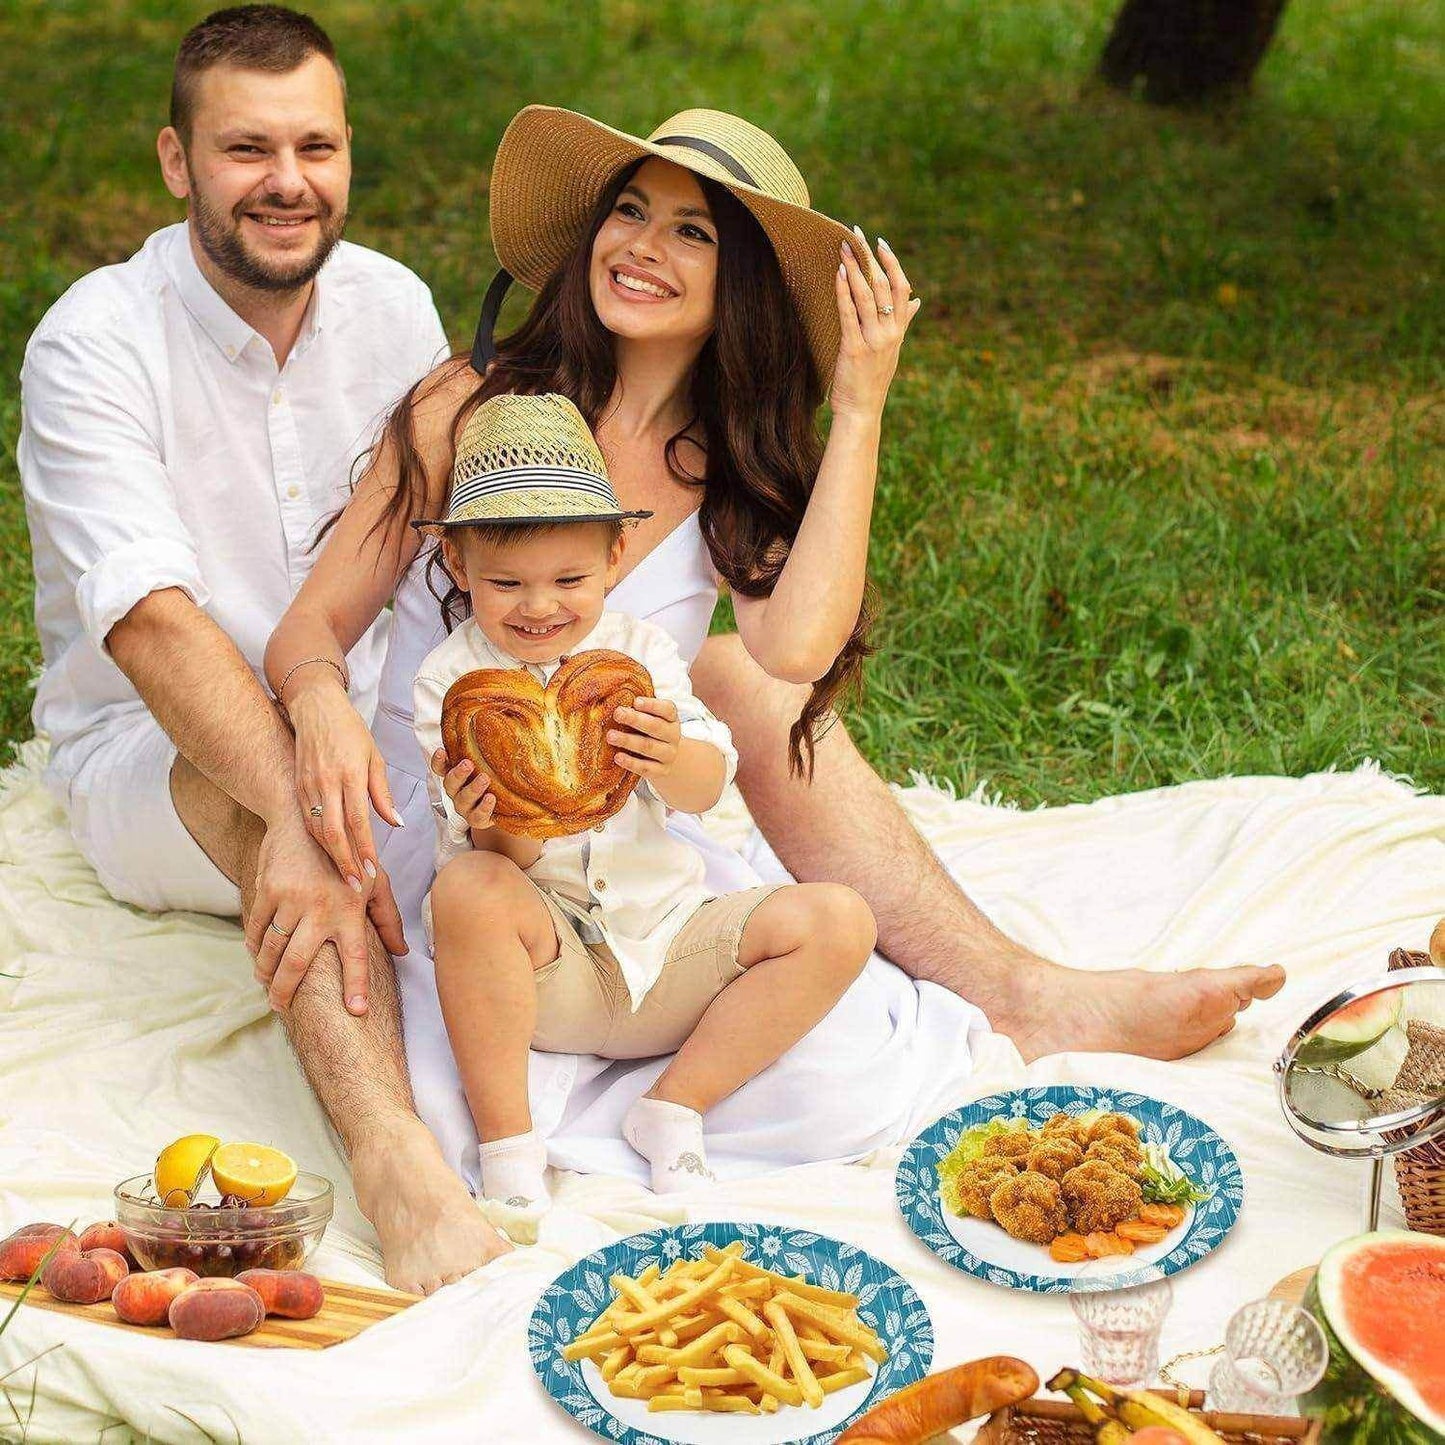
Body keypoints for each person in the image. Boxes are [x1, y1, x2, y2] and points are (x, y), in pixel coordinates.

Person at [266, 106, 1284, 1193]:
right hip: (462, 842)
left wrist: (858, 408)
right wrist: (323, 705)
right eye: (628, 212)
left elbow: (794, 649)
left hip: (624, 860)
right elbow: (308, 630)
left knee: (842, 1064)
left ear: (737, 282)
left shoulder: (716, 464)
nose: (643, 247)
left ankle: (973, 1009)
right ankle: (531, 1113)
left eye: (691, 232)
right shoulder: (470, 409)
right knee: (473, 1009)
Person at [17, 4, 508, 1292]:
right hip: (148, 749)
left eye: (317, 147)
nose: (288, 183)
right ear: (177, 161)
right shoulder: (92, 342)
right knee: (290, 838)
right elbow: (154, 629)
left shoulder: (392, 303)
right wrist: (294, 810)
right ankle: (398, 1164)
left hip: (363, 706)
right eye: (247, 149)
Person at [411, 393, 875, 1236]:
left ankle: (673, 1104)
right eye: (505, 582)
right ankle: (509, 1146)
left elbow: (705, 788)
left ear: (617, 554)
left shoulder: (640, 656)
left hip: (668, 955)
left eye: (569, 580)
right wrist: (495, 813)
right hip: (548, 977)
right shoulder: (454, 687)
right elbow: (506, 861)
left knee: (838, 919)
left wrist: (670, 752)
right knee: (469, 886)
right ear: (455, 562)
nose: (538, 606)